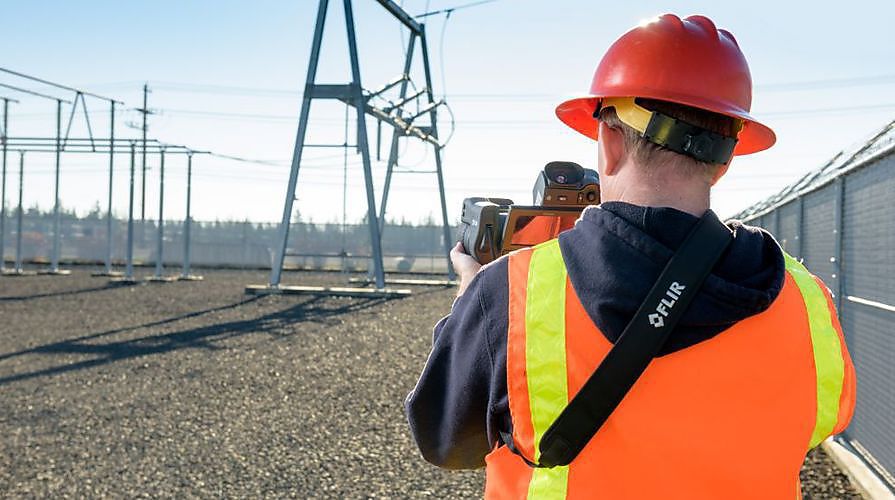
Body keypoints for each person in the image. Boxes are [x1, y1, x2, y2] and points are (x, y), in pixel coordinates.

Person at [405, 14, 856, 499]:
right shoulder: (808, 303)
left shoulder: (510, 294)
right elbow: (821, 421)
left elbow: (446, 443)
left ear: (610, 144)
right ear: (724, 162)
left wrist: (476, 304)